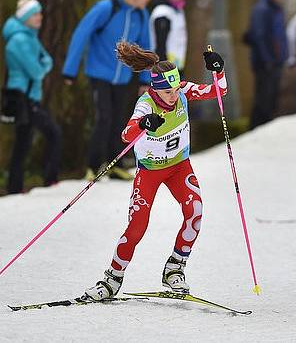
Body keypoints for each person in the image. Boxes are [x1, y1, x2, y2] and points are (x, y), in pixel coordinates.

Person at [84, 41, 227, 300]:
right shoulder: (145, 103)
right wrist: (144, 123)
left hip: (179, 167)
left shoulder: (182, 91)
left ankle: (175, 268)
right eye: (168, 92)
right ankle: (112, 279)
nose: (174, 96)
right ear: (155, 90)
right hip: (149, 172)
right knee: (138, 225)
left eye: (176, 89)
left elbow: (219, 91)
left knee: (195, 211)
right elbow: (127, 135)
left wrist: (218, 69)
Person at [62, 0, 153, 181]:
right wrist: (70, 69)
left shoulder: (141, 14)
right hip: (99, 74)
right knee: (104, 118)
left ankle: (116, 165)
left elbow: (146, 46)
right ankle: (92, 166)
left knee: (120, 120)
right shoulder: (106, 8)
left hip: (123, 78)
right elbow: (81, 34)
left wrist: (145, 79)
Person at [3, 0, 61, 194]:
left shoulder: (29, 37)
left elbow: (48, 60)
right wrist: (43, 65)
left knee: (23, 142)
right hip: (23, 96)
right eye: (36, 14)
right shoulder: (19, 40)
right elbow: (37, 70)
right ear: (26, 17)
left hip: (29, 96)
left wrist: (44, 64)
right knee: (52, 133)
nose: (40, 17)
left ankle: (15, 187)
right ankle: (49, 180)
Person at [246, 0, 288, 129]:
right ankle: (255, 132)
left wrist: (284, 57)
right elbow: (258, 35)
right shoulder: (262, 9)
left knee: (272, 101)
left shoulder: (279, 9)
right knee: (263, 100)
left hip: (277, 61)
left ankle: (265, 132)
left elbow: (281, 36)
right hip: (265, 63)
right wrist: (267, 60)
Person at [150, 0, 187, 77]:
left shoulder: (178, 10)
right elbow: (160, 44)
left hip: (177, 66)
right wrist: (163, 71)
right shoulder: (163, 12)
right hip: (166, 69)